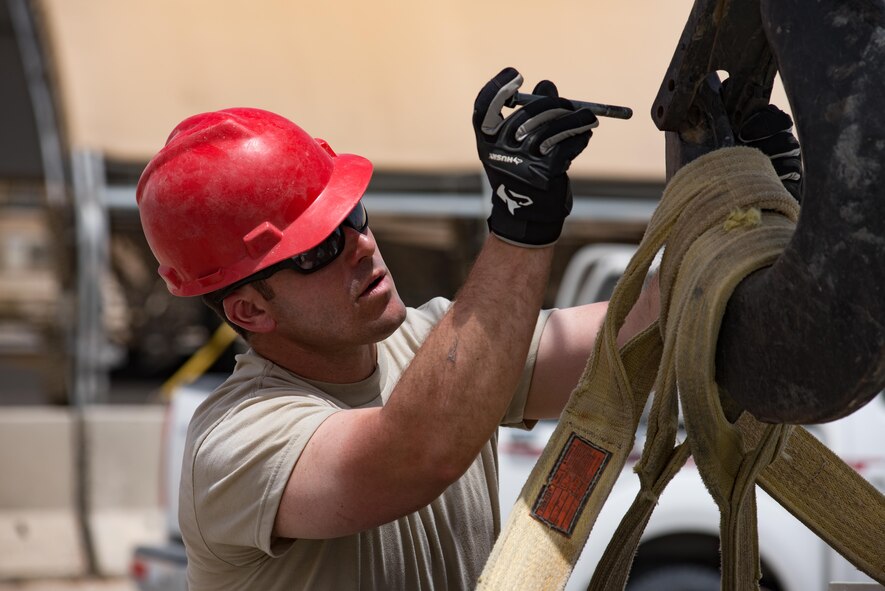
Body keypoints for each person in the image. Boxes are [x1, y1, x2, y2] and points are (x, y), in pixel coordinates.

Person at [136, 65, 802, 590]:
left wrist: (753, 214)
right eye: (316, 250)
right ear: (249, 310)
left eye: (352, 218)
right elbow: (417, 452)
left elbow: (645, 333)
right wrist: (518, 225)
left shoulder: (428, 345)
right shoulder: (236, 441)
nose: (360, 247)